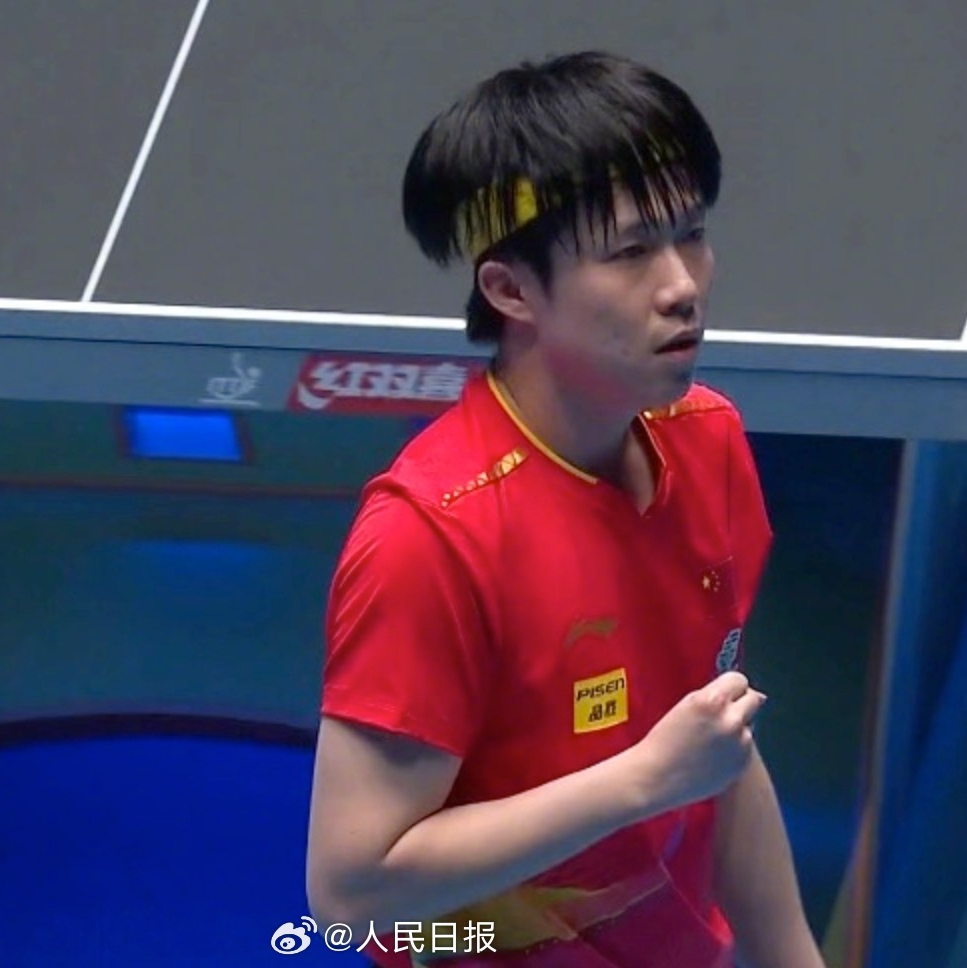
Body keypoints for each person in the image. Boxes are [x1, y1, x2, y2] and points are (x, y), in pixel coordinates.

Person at [305, 51, 824, 968]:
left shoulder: (707, 442)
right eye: (630, 252)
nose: (682, 284)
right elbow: (349, 898)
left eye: (691, 234)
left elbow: (719, 756)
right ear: (511, 290)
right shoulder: (432, 537)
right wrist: (642, 782)